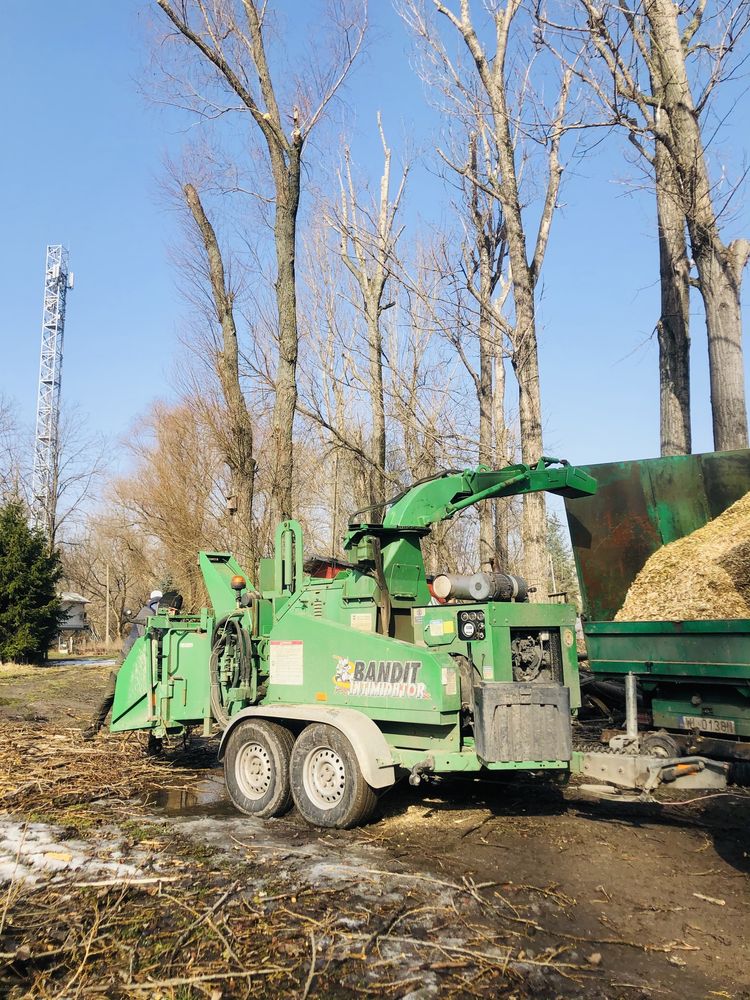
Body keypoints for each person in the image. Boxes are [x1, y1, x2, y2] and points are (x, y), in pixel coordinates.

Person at [82, 589, 163, 740]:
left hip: (144, 658)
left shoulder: (154, 612)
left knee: (151, 696)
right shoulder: (146, 613)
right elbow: (146, 638)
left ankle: (93, 728)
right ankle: (93, 726)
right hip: (129, 657)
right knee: (113, 692)